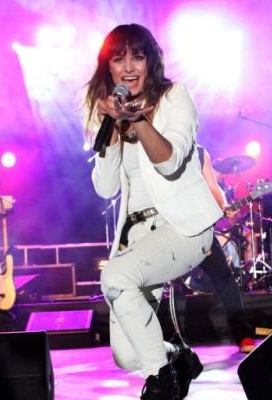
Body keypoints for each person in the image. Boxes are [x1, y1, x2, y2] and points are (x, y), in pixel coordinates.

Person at [84, 24, 223, 399]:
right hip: (139, 236)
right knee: (128, 356)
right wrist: (113, 129)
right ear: (108, 67)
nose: (129, 67)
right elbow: (105, 188)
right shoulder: (108, 113)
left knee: (115, 277)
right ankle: (177, 356)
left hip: (183, 227)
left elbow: (170, 162)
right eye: (119, 58)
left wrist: (138, 121)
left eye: (138, 56)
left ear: (151, 62)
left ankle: (161, 384)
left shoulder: (175, 96)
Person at [197, 145, 255, 353]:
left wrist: (223, 205)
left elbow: (213, 186)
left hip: (199, 230)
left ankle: (243, 335)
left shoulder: (199, 152)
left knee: (224, 279)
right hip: (168, 229)